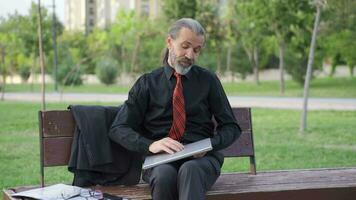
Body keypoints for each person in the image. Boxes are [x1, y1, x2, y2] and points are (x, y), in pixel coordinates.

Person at [109, 18, 241, 200]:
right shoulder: (147, 83)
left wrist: (210, 145)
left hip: (202, 161)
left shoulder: (208, 81)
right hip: (159, 161)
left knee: (190, 170)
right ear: (169, 42)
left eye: (196, 50)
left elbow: (232, 127)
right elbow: (119, 128)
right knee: (164, 175)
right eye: (185, 46)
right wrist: (151, 145)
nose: (190, 55)